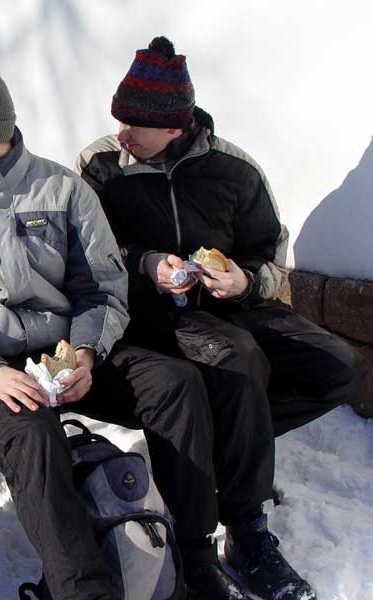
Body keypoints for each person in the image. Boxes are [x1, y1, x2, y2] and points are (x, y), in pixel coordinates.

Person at [0, 62, 227, 600]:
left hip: (68, 352)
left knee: (176, 384)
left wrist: (86, 354)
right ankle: (83, 591)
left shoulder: (63, 189)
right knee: (34, 434)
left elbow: (100, 286)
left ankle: (194, 557)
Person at [76, 36, 365, 600]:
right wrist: (147, 263)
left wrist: (244, 280)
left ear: (175, 126)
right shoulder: (102, 166)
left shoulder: (234, 169)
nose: (122, 132)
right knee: (237, 361)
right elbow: (87, 251)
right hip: (151, 313)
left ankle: (221, 452)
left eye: (135, 124)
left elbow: (269, 254)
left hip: (233, 305)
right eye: (120, 119)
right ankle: (245, 529)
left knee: (339, 366)